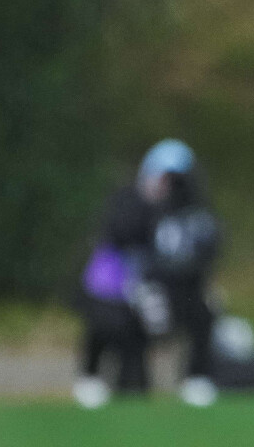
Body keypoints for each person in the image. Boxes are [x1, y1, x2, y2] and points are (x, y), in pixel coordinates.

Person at [74, 140, 224, 407]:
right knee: (113, 328)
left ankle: (195, 379)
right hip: (115, 293)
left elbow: (200, 256)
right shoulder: (129, 203)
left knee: (200, 312)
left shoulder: (189, 213)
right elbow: (120, 237)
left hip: (159, 292)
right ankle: (91, 376)